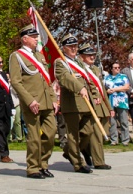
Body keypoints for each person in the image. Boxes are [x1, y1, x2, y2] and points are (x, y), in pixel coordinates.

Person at [9, 24, 57, 179]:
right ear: (25, 39)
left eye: (37, 37)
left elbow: (46, 80)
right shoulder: (17, 56)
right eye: (34, 37)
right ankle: (33, 168)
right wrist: (29, 100)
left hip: (47, 102)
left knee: (50, 133)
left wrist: (54, 99)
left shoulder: (40, 56)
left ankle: (43, 164)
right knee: (34, 137)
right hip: (33, 103)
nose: (37, 39)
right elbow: (16, 82)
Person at [53, 34, 91, 173]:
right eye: (70, 46)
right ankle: (78, 163)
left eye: (75, 46)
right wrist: (79, 87)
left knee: (87, 132)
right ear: (64, 48)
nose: (74, 48)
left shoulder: (80, 62)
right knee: (73, 134)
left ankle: (69, 150)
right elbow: (65, 78)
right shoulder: (60, 62)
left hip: (85, 102)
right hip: (72, 102)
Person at [104, 61, 131, 145]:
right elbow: (104, 88)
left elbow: (126, 87)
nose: (117, 69)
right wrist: (107, 91)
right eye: (115, 68)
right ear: (111, 69)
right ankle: (114, 140)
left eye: (119, 67)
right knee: (112, 122)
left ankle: (125, 140)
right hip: (111, 101)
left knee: (123, 121)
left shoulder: (123, 76)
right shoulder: (107, 78)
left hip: (121, 101)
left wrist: (115, 89)